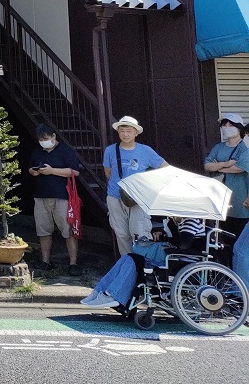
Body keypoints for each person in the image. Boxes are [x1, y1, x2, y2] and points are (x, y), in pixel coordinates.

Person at [81, 217, 205, 309]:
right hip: (173, 260)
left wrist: (166, 237)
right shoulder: (180, 222)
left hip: (181, 263)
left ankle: (112, 295)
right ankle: (99, 291)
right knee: (128, 258)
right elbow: (178, 241)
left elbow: (183, 245)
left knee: (133, 260)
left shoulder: (191, 221)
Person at [103, 116, 168, 254]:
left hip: (138, 197)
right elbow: (108, 173)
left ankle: (145, 266)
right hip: (115, 196)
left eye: (129, 131)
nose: (125, 134)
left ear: (136, 133)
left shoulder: (146, 150)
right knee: (121, 234)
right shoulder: (110, 150)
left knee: (140, 232)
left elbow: (165, 168)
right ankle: (129, 266)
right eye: (122, 131)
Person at [28, 123, 83, 275]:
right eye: (40, 139)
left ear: (53, 136)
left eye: (45, 138)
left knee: (68, 230)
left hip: (62, 196)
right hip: (40, 196)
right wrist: (34, 171)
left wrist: (52, 171)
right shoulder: (37, 152)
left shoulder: (65, 151)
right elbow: (30, 168)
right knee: (43, 230)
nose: (43, 142)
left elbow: (75, 172)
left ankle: (73, 264)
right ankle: (45, 261)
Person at [204, 113, 249, 251]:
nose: (227, 128)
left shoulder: (245, 146)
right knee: (225, 241)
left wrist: (218, 167)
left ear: (239, 128)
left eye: (231, 125)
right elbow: (207, 166)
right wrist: (227, 163)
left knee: (242, 242)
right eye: (224, 125)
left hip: (241, 201)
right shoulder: (219, 147)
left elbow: (241, 168)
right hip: (221, 200)